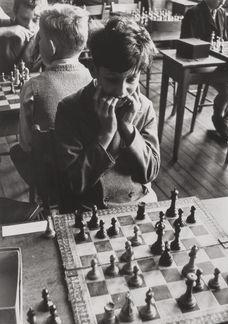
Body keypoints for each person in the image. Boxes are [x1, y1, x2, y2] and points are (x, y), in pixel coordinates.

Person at [55, 16, 160, 212]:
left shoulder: (144, 107)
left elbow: (150, 172)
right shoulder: (70, 109)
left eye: (131, 79)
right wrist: (105, 135)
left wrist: (129, 129)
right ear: (95, 71)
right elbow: (74, 185)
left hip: (137, 205)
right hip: (88, 209)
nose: (122, 91)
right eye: (112, 79)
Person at [10, 4, 92, 185]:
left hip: (50, 176)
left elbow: (26, 144)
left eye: (40, 38)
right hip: (87, 169)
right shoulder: (91, 78)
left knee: (15, 150)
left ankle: (43, 195)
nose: (37, 42)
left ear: (51, 47)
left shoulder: (33, 87)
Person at [180, 0, 228, 142]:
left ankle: (225, 121)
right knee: (227, 91)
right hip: (200, 63)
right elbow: (187, 43)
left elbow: (222, 39)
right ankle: (219, 119)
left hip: (220, 63)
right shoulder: (193, 13)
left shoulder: (222, 12)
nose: (223, 1)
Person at [0, 0, 48, 73]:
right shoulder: (3, 26)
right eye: (24, 19)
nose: (29, 25)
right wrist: (4, 30)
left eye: (35, 19)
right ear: (15, 13)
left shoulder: (45, 37)